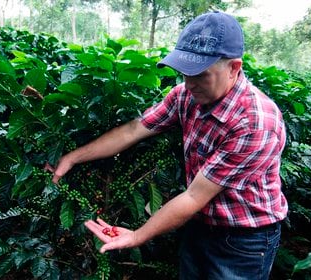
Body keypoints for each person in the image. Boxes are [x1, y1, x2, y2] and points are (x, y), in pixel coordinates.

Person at [46, 11, 288, 280]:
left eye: (200, 74)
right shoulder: (186, 95)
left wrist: (137, 235)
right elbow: (134, 129)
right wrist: (72, 157)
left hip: (243, 239)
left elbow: (194, 196)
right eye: (184, 72)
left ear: (234, 68)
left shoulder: (255, 121)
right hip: (200, 222)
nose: (189, 83)